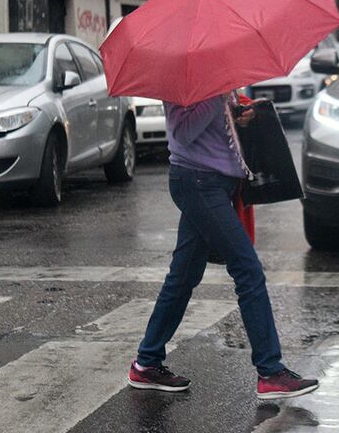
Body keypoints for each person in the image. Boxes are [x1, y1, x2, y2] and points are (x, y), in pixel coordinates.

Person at [127, 92, 319, 398]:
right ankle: (270, 371)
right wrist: (216, 100)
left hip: (212, 184)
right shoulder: (185, 77)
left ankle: (146, 363)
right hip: (199, 183)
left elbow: (216, 125)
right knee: (247, 268)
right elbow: (183, 132)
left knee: (183, 277)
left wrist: (238, 112)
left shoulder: (214, 78)